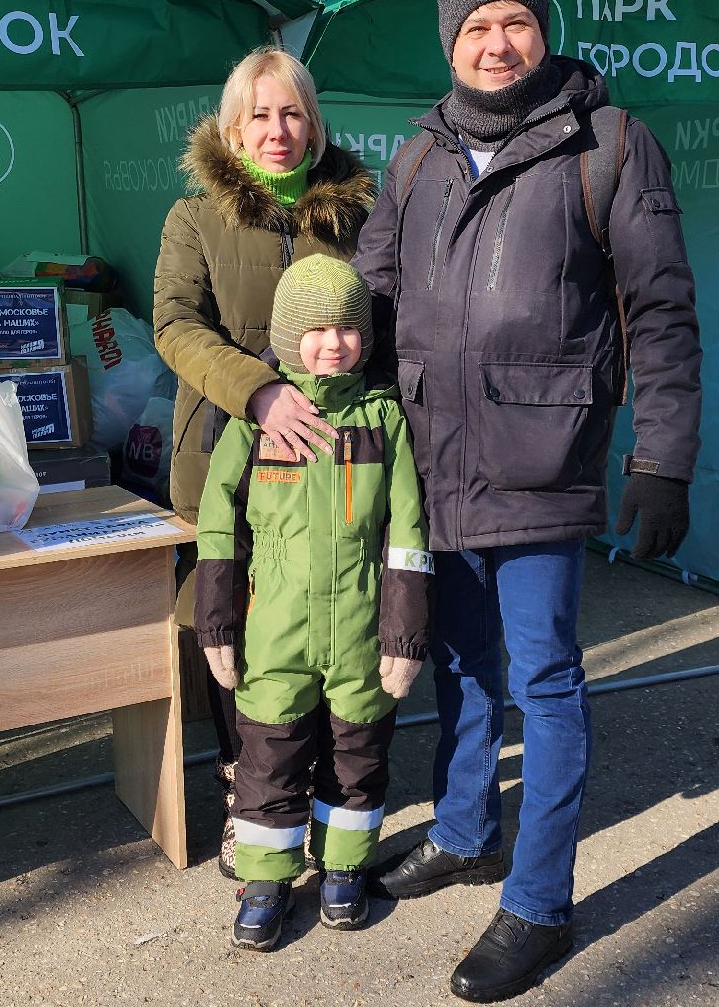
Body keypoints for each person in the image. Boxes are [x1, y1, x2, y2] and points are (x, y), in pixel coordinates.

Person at [352, 0, 703, 1004]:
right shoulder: (414, 156)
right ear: (450, 45)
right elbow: (368, 291)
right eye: (474, 29)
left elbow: (661, 310)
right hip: (430, 456)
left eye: (512, 22)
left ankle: (539, 903)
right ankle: (464, 834)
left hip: (541, 457)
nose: (494, 44)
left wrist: (664, 459)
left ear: (541, 31)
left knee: (544, 679)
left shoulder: (609, 143)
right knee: (459, 666)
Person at [153, 47, 376, 877]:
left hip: (337, 460)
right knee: (233, 625)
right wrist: (259, 393)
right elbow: (175, 325)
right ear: (231, 125)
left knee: (328, 612)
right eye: (259, 114)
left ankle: (325, 786)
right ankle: (244, 794)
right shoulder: (195, 218)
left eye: (291, 113)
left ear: (313, 122)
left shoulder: (357, 214)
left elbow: (381, 323)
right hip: (227, 451)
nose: (276, 132)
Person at [192, 254, 430, 950]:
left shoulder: (384, 421)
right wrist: (218, 624)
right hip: (276, 634)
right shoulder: (253, 421)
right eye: (317, 329)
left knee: (357, 759)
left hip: (360, 634)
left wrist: (404, 635)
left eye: (349, 329)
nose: (334, 344)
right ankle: (266, 879)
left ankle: (344, 868)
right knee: (269, 759)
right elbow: (217, 528)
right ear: (289, 333)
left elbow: (408, 533)